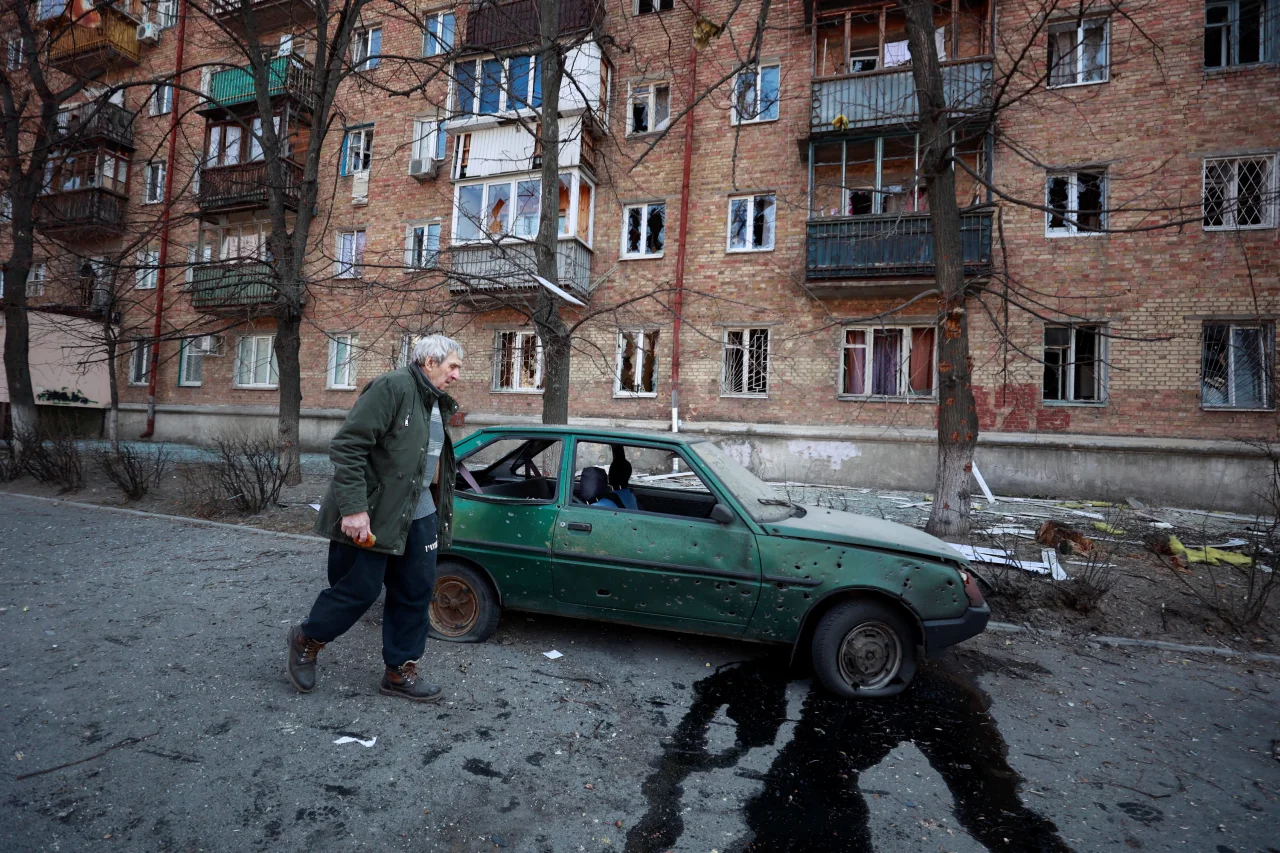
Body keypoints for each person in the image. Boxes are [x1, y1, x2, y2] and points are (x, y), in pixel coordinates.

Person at [285, 334, 464, 702]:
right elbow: (348, 447)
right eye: (453, 366)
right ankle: (307, 640)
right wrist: (353, 509)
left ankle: (399, 672)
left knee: (415, 592)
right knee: (358, 591)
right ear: (429, 362)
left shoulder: (435, 401)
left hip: (420, 515)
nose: (457, 375)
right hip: (375, 513)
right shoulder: (391, 387)